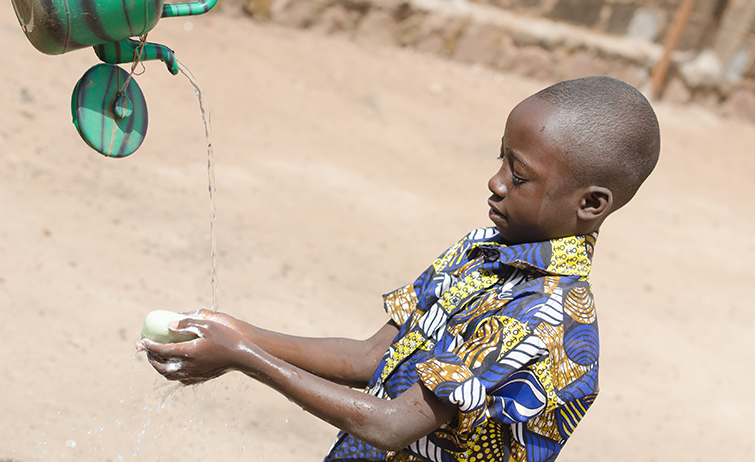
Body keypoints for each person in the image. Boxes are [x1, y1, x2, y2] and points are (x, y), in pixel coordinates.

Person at [137, 76, 661, 462]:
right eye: (501, 158)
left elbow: (392, 426)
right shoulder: (482, 251)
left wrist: (243, 358)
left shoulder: (547, 323)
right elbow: (372, 356)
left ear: (590, 204)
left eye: (519, 175)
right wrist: (239, 332)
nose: (495, 182)